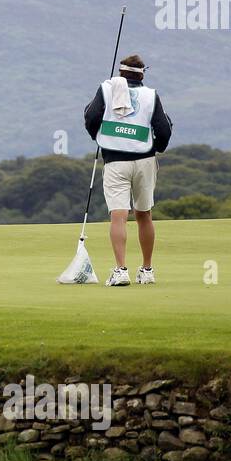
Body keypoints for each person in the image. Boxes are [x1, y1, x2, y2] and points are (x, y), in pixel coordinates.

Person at [83, 53, 173, 286]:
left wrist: (99, 137)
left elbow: (91, 117)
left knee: (119, 215)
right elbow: (163, 129)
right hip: (145, 160)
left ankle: (121, 271)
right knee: (144, 214)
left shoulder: (107, 89)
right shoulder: (151, 95)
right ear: (142, 74)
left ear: (121, 73)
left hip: (115, 160)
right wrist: (157, 148)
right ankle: (147, 270)